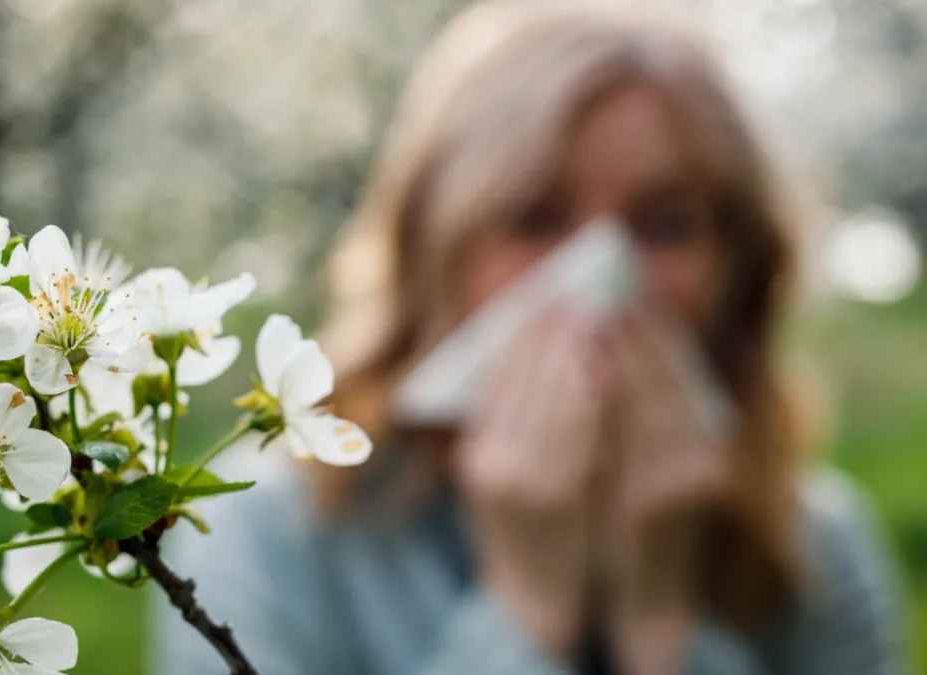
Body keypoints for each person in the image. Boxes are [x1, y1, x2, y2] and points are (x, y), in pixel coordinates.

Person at [155, 4, 907, 674]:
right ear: (432, 249)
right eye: (535, 217)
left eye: (666, 224)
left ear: (738, 268)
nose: (603, 276)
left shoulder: (816, 551)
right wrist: (526, 605)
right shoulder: (271, 538)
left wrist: (661, 622)